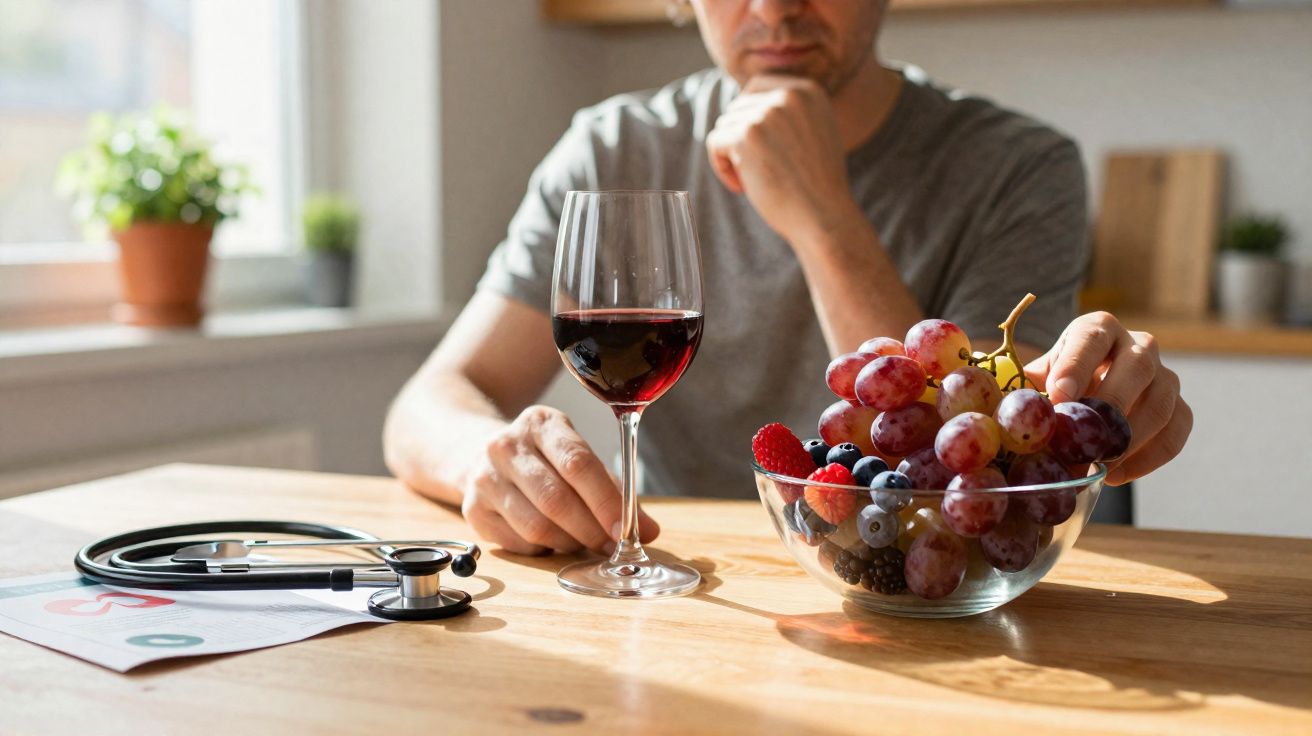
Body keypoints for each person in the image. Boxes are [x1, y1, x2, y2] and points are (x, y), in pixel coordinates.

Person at [384, 0, 1192, 556]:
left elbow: (965, 480)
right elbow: (430, 400)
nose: (773, 7)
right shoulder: (613, 149)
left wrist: (820, 210)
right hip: (696, 587)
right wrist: (488, 463)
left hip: (905, 597)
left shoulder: (1019, 167)